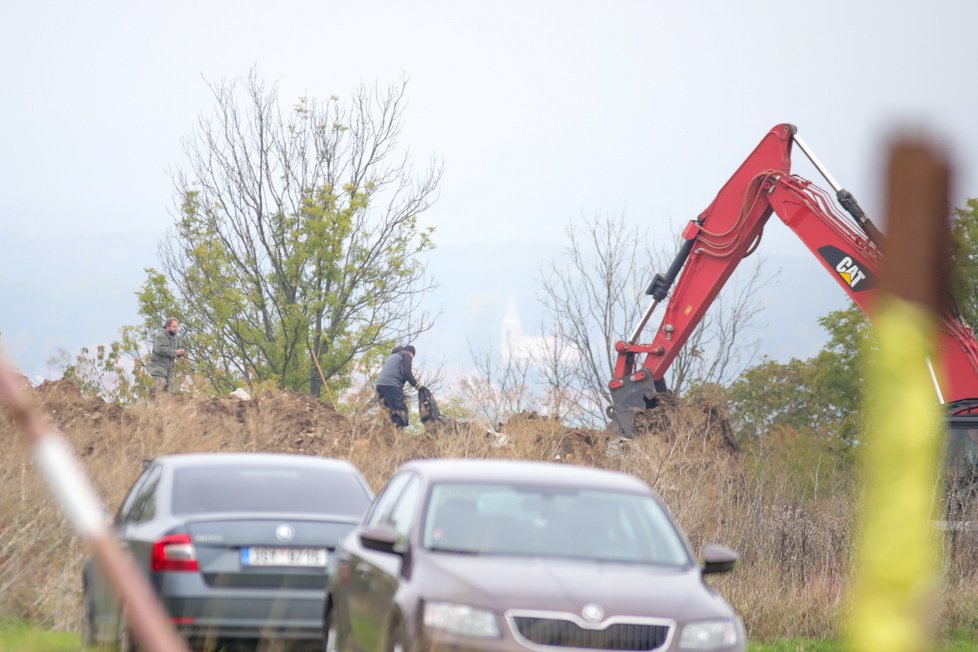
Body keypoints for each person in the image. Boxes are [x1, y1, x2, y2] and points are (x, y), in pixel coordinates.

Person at [375, 344, 421, 428]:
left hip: (379, 386)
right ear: (412, 353)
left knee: (388, 413)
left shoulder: (393, 356)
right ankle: (398, 436)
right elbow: (406, 372)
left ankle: (386, 436)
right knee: (400, 413)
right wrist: (416, 384)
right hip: (391, 386)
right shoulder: (407, 354)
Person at [147, 317, 186, 397]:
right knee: (161, 382)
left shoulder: (176, 338)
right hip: (158, 365)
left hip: (169, 368)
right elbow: (160, 349)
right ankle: (152, 396)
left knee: (168, 391)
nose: (176, 329)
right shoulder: (160, 336)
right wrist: (175, 352)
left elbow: (178, 349)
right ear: (167, 326)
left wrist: (181, 353)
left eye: (176, 327)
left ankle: (161, 408)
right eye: (174, 327)